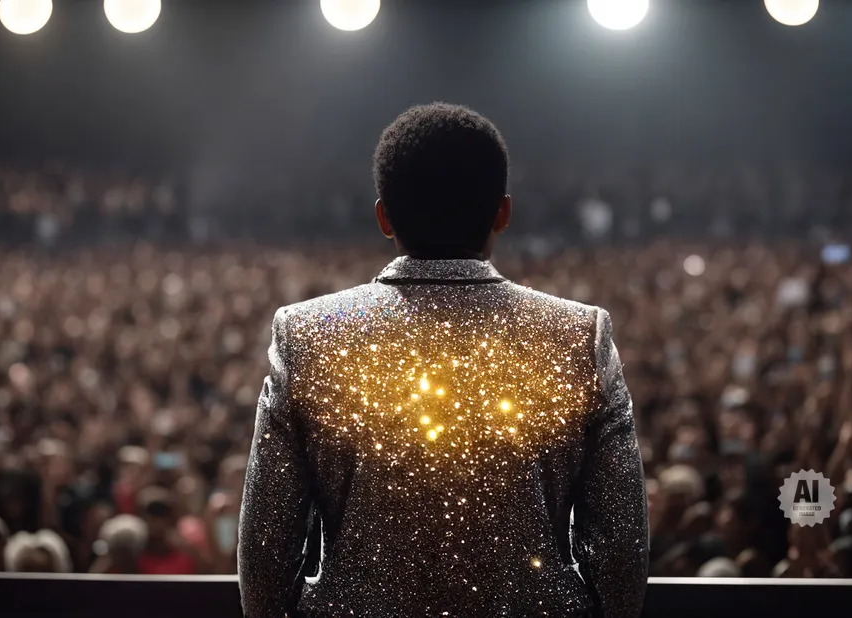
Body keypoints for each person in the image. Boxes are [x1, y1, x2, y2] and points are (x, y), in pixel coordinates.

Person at [238, 103, 649, 617]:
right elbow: (621, 549)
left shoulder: (306, 333)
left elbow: (266, 552)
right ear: (503, 212)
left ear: (384, 217)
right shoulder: (578, 334)